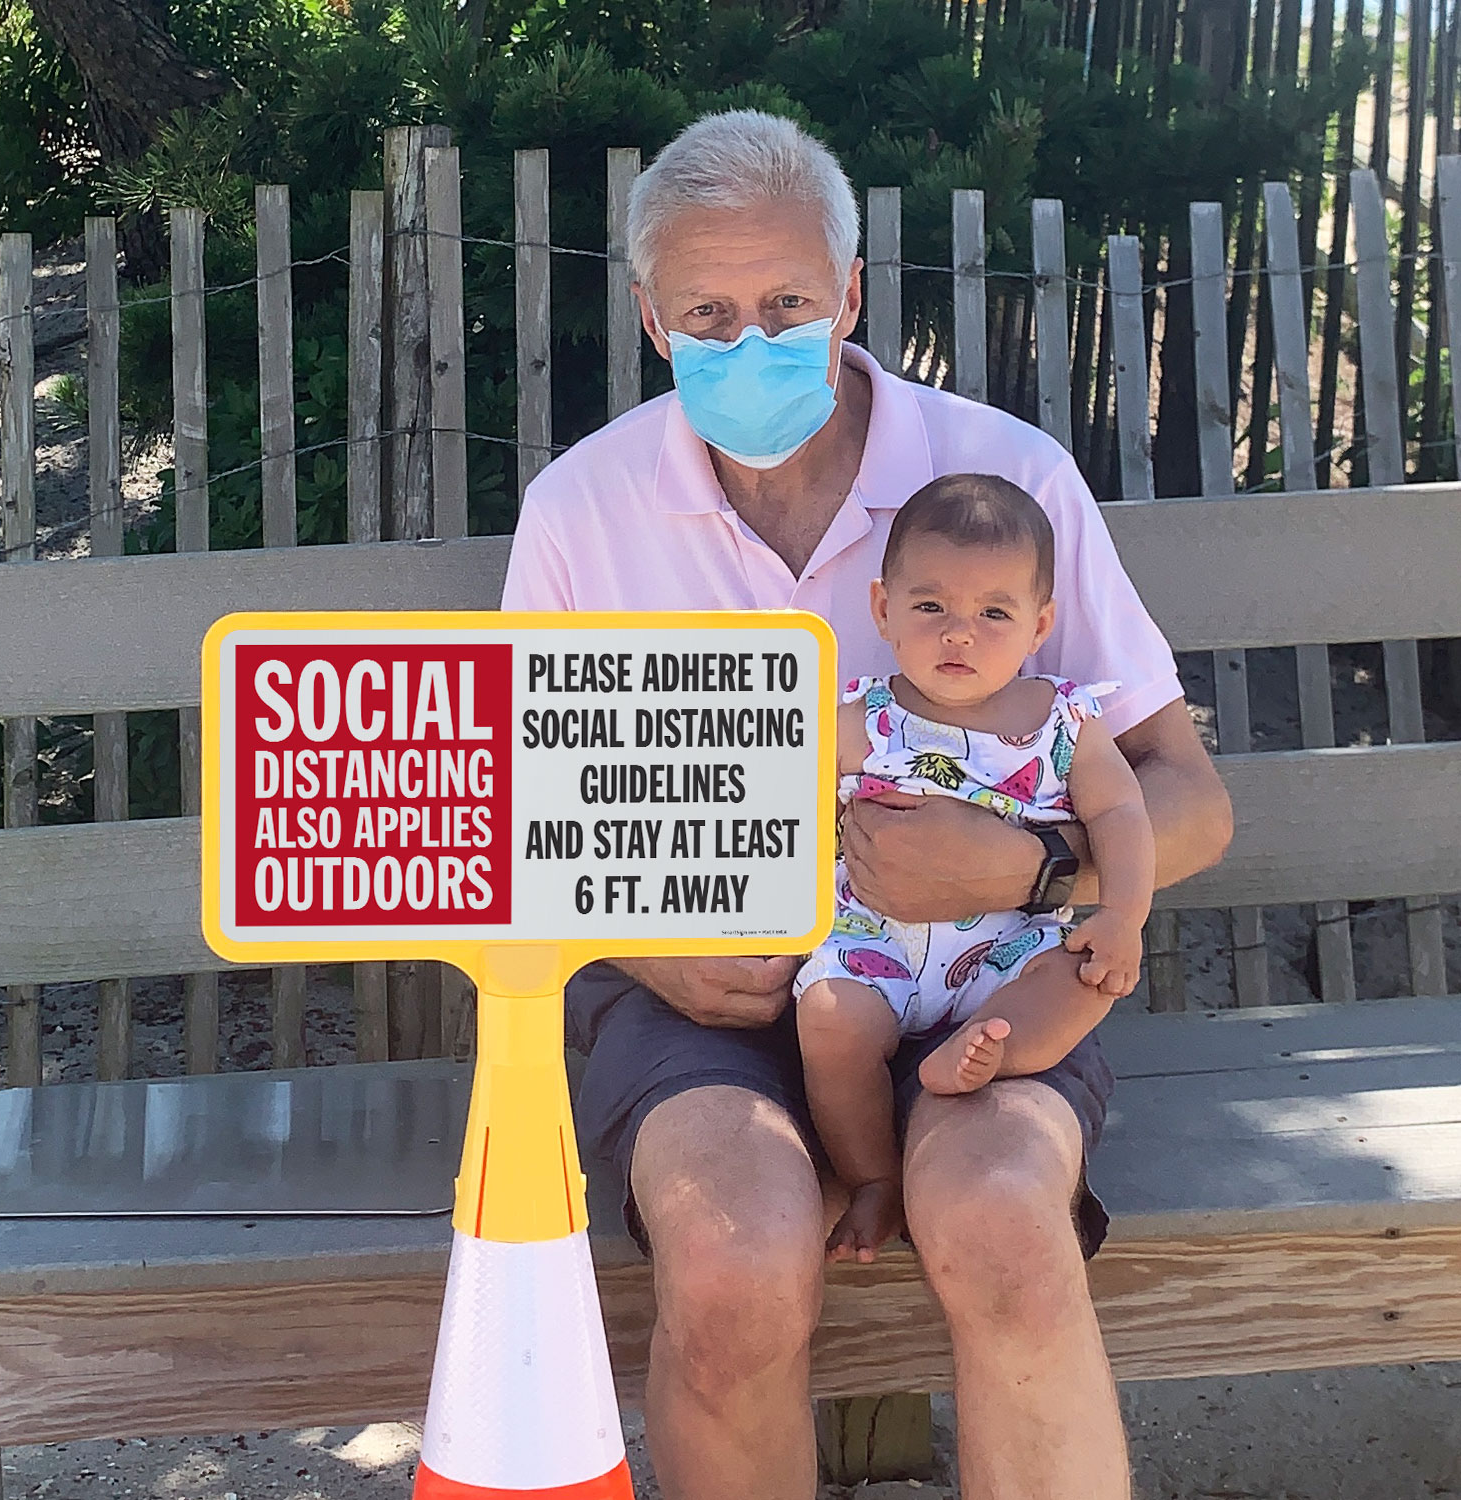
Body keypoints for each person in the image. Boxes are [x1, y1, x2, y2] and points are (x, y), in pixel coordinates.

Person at [502, 108, 1232, 1500]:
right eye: (708, 314)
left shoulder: (1005, 481)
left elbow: (1189, 799)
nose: (752, 340)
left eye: (787, 304)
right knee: (731, 1264)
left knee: (1006, 1227)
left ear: (849, 293)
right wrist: (648, 949)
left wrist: (1026, 871)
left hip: (984, 979)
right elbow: (523, 816)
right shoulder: (583, 510)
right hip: (697, 994)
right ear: (652, 321)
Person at [795, 473, 1156, 1265]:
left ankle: (995, 1051)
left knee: (1083, 979)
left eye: (994, 613)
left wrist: (1122, 915)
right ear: (883, 610)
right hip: (876, 944)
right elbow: (777, 808)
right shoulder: (858, 719)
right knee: (826, 1020)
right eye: (931, 607)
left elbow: (1122, 815)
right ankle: (872, 1176)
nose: (959, 634)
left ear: (1039, 625)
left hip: (1010, 948)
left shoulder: (1064, 722)